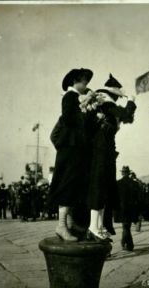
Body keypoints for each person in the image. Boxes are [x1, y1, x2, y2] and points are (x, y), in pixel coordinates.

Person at [82, 74, 137, 241]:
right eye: (117, 96)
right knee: (99, 188)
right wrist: (132, 100)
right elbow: (126, 113)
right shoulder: (106, 104)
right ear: (112, 95)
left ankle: (97, 226)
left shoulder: (103, 106)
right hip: (102, 150)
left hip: (106, 151)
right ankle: (93, 227)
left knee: (103, 189)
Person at [48, 68, 94, 241]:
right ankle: (61, 225)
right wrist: (84, 105)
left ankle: (68, 221)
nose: (86, 85)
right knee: (67, 183)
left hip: (74, 148)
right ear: (75, 81)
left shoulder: (74, 98)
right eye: (84, 81)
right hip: (70, 148)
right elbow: (69, 119)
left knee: (73, 184)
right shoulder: (70, 97)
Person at [116, 166, 139, 251]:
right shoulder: (135, 183)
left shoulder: (118, 183)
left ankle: (126, 243)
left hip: (121, 208)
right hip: (132, 208)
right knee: (127, 226)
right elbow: (138, 198)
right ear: (129, 173)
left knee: (125, 227)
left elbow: (115, 197)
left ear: (122, 173)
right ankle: (128, 244)